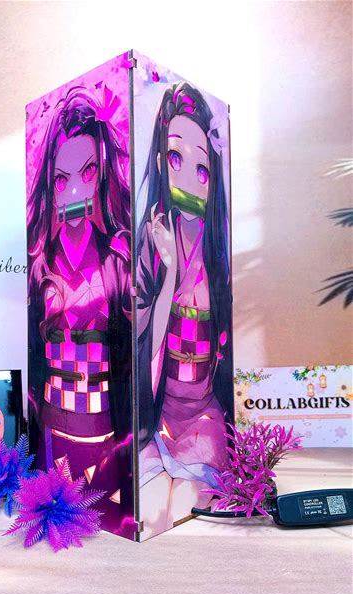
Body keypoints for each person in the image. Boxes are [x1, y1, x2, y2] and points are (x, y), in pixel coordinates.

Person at [27, 85, 134, 536]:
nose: (73, 190)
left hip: (107, 426)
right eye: (60, 178)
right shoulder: (38, 264)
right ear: (49, 186)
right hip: (53, 425)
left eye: (87, 172)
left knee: (109, 521)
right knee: (57, 522)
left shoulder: (117, 260)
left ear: (102, 176)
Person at [136, 82, 233, 537]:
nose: (189, 180)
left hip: (202, 418)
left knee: (182, 512)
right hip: (156, 416)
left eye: (202, 168)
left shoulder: (218, 254)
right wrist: (170, 269)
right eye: (175, 158)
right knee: (152, 515)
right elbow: (147, 346)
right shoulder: (151, 238)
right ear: (159, 161)